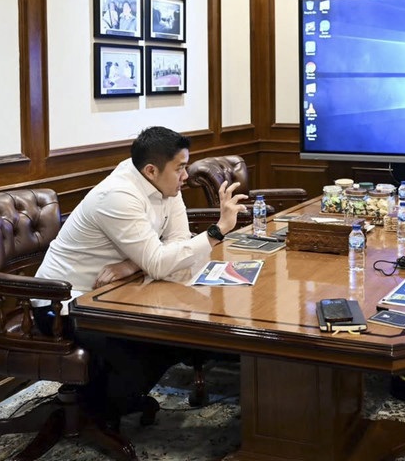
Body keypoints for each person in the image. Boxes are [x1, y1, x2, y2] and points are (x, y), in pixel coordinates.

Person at [33, 126, 248, 427]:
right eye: (180, 168)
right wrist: (217, 230)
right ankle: (96, 413)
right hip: (63, 303)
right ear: (151, 170)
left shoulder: (166, 185)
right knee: (147, 342)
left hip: (115, 292)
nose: (186, 176)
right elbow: (160, 261)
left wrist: (133, 265)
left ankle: (110, 402)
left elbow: (177, 243)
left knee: (174, 336)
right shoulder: (118, 195)